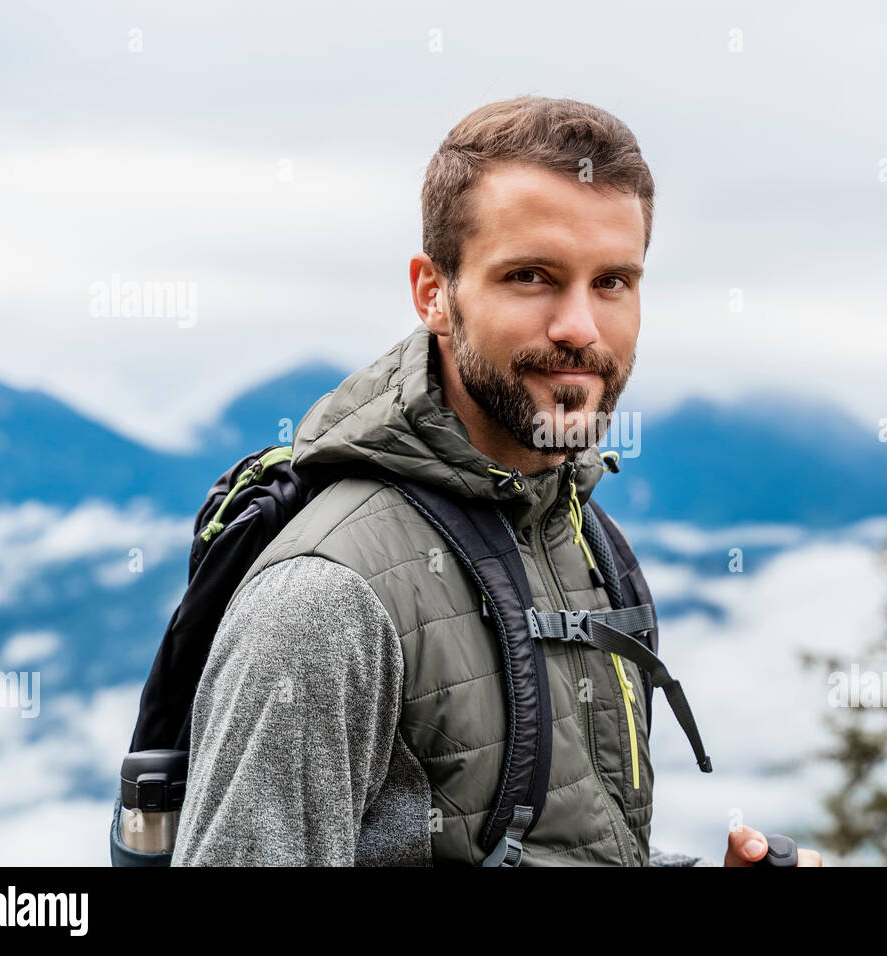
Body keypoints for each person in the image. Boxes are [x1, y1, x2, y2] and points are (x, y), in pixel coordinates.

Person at [171, 95, 822, 867]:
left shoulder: (583, 539)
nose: (580, 325)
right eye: (531, 276)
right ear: (433, 294)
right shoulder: (327, 598)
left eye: (612, 281)